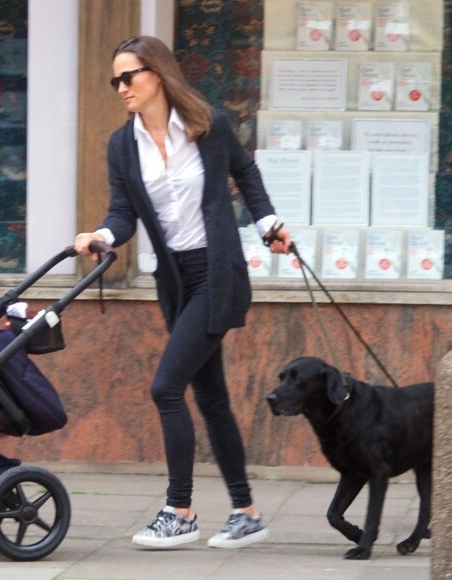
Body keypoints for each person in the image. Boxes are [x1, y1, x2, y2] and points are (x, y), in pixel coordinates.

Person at [74, 36, 291, 550]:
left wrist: (269, 223)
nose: (121, 87)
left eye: (129, 76)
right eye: (115, 80)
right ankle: (247, 512)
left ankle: (180, 509)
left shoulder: (208, 124)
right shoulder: (122, 145)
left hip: (216, 273)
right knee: (211, 398)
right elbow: (122, 214)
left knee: (165, 387)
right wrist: (100, 236)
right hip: (174, 280)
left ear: (158, 73)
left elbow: (246, 172)